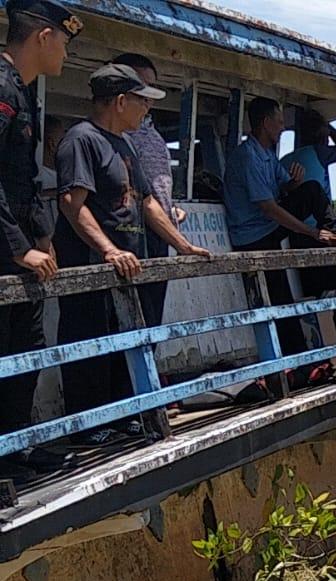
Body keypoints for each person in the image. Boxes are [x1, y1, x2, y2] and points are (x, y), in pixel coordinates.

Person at [54, 64, 209, 443]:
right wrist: (108, 249)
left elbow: (149, 203)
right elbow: (73, 203)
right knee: (90, 342)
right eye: (141, 101)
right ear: (121, 101)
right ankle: (87, 427)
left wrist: (183, 245)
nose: (145, 110)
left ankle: (125, 415)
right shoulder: (81, 140)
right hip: (93, 266)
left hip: (130, 265)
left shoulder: (124, 144)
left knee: (129, 342)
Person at [0, 0, 78, 478]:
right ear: (43, 37)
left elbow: (23, 180)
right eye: (65, 44)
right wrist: (18, 245)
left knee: (24, 350)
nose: (66, 56)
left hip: (23, 253)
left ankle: (10, 453)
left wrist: (44, 236)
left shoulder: (22, 92)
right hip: (7, 254)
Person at [223, 96, 336, 358]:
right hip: (253, 235)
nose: (281, 128)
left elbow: (284, 188)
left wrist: (293, 184)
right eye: (279, 123)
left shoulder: (266, 154)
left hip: (266, 227)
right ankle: (296, 362)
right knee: (279, 298)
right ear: (266, 123)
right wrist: (311, 232)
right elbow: (268, 206)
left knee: (310, 189)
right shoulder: (248, 157)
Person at [113, 53, 179, 327]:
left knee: (153, 317)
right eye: (142, 87)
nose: (148, 97)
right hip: (132, 235)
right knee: (131, 319)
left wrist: (171, 208)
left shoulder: (150, 133)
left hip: (159, 233)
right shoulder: (118, 134)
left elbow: (155, 187)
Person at [279, 106, 336, 207]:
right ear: (322, 137)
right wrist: (329, 127)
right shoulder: (320, 153)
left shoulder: (285, 160)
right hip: (315, 219)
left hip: (292, 218)